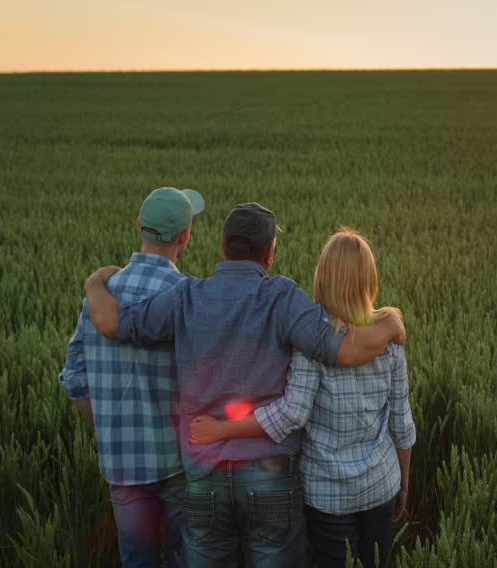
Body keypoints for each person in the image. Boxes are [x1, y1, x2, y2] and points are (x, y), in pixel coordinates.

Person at [82, 202, 405, 568]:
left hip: (205, 475)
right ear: (269, 253)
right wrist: (390, 325)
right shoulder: (282, 298)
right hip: (271, 479)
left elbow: (112, 323)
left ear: (223, 245)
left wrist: (94, 282)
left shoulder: (187, 297)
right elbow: (342, 351)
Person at [189, 228, 415, 568]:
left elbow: (293, 413)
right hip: (380, 485)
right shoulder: (389, 341)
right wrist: (403, 481)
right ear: (370, 279)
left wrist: (221, 429)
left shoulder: (311, 342)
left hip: (327, 494)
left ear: (322, 277)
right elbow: (402, 423)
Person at [58, 186, 205, 568]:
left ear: (138, 224)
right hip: (180, 462)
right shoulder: (187, 296)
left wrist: (106, 427)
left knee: (137, 561)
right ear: (185, 236)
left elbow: (74, 376)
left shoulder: (99, 297)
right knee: (187, 559)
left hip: (122, 463)